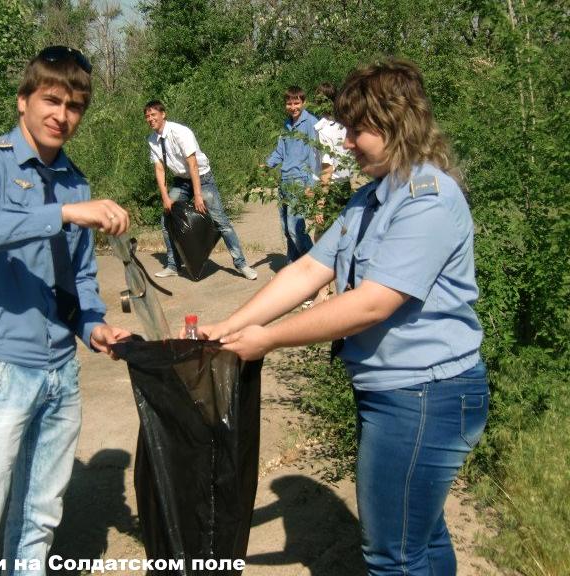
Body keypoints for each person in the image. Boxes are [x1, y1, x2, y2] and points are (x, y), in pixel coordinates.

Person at [199, 59, 489, 576]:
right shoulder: (372, 198)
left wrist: (266, 339)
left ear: (397, 124)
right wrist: (231, 326)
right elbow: (309, 268)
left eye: (358, 130)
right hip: (398, 392)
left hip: (425, 396)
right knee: (420, 536)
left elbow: (370, 304)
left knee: (393, 555)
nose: (348, 142)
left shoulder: (428, 199)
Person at [0, 46, 131, 576]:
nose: (61, 115)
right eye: (51, 100)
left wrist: (94, 326)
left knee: (39, 522)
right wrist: (61, 212)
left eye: (74, 106)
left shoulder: (74, 179)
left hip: (60, 373)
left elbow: (81, 275)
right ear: (23, 100)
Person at [143, 100, 257, 280]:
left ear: (163, 114)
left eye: (153, 114)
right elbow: (159, 169)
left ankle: (241, 264)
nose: (150, 119)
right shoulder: (152, 140)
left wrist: (198, 195)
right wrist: (165, 197)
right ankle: (173, 265)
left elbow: (193, 164)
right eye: (147, 116)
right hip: (181, 180)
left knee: (221, 222)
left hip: (202, 178)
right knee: (166, 221)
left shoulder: (180, 132)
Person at [263, 86, 321, 264]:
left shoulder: (311, 123)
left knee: (296, 228)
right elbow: (280, 152)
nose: (293, 107)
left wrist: (312, 184)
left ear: (303, 103)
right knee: (287, 230)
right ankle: (293, 266)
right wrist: (265, 165)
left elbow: (315, 155)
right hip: (285, 181)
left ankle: (314, 266)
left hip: (300, 181)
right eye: (289, 103)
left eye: (296, 103)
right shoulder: (286, 125)